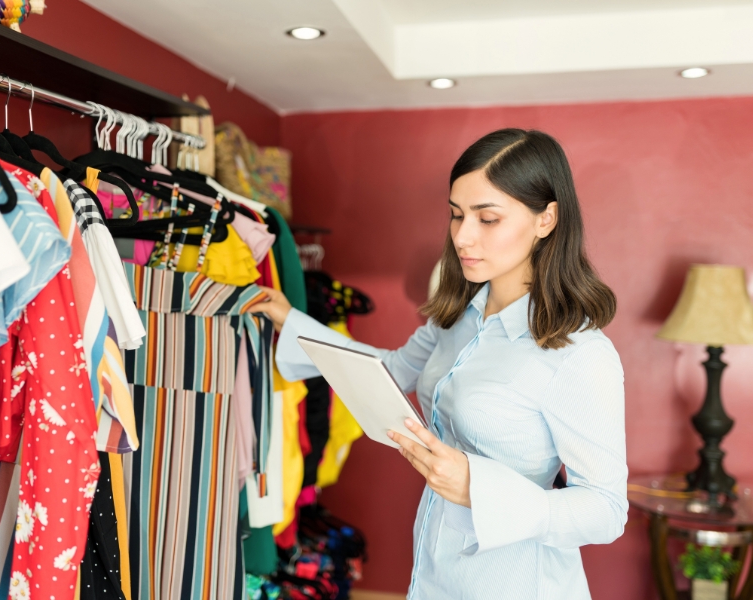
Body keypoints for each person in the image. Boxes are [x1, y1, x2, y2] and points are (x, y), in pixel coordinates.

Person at [248, 128, 628, 599]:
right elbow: (389, 372)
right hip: (434, 567)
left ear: (546, 219)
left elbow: (607, 510)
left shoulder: (580, 353)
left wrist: (478, 487)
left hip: (517, 583)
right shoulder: (457, 317)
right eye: (456, 214)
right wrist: (292, 322)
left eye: (487, 218)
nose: (462, 236)